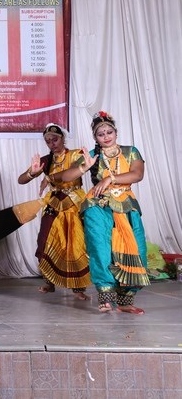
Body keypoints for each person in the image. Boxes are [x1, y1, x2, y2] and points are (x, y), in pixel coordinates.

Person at [56, 111, 149, 314]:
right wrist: (83, 167)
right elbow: (66, 176)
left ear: (116, 132)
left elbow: (137, 174)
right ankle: (106, 297)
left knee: (136, 249)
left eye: (109, 132)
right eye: (101, 134)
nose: (106, 137)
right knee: (100, 249)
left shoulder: (130, 151)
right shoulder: (92, 155)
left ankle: (125, 301)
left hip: (126, 205)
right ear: (95, 137)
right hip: (97, 205)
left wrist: (110, 178)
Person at [17, 124, 90, 300]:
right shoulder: (46, 160)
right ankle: (49, 282)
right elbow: (21, 180)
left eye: (55, 139)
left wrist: (49, 178)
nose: (52, 144)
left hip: (74, 202)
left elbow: (70, 174)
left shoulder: (76, 154)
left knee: (75, 242)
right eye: (48, 141)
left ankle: (78, 288)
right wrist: (33, 173)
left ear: (63, 138)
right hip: (53, 203)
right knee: (45, 240)